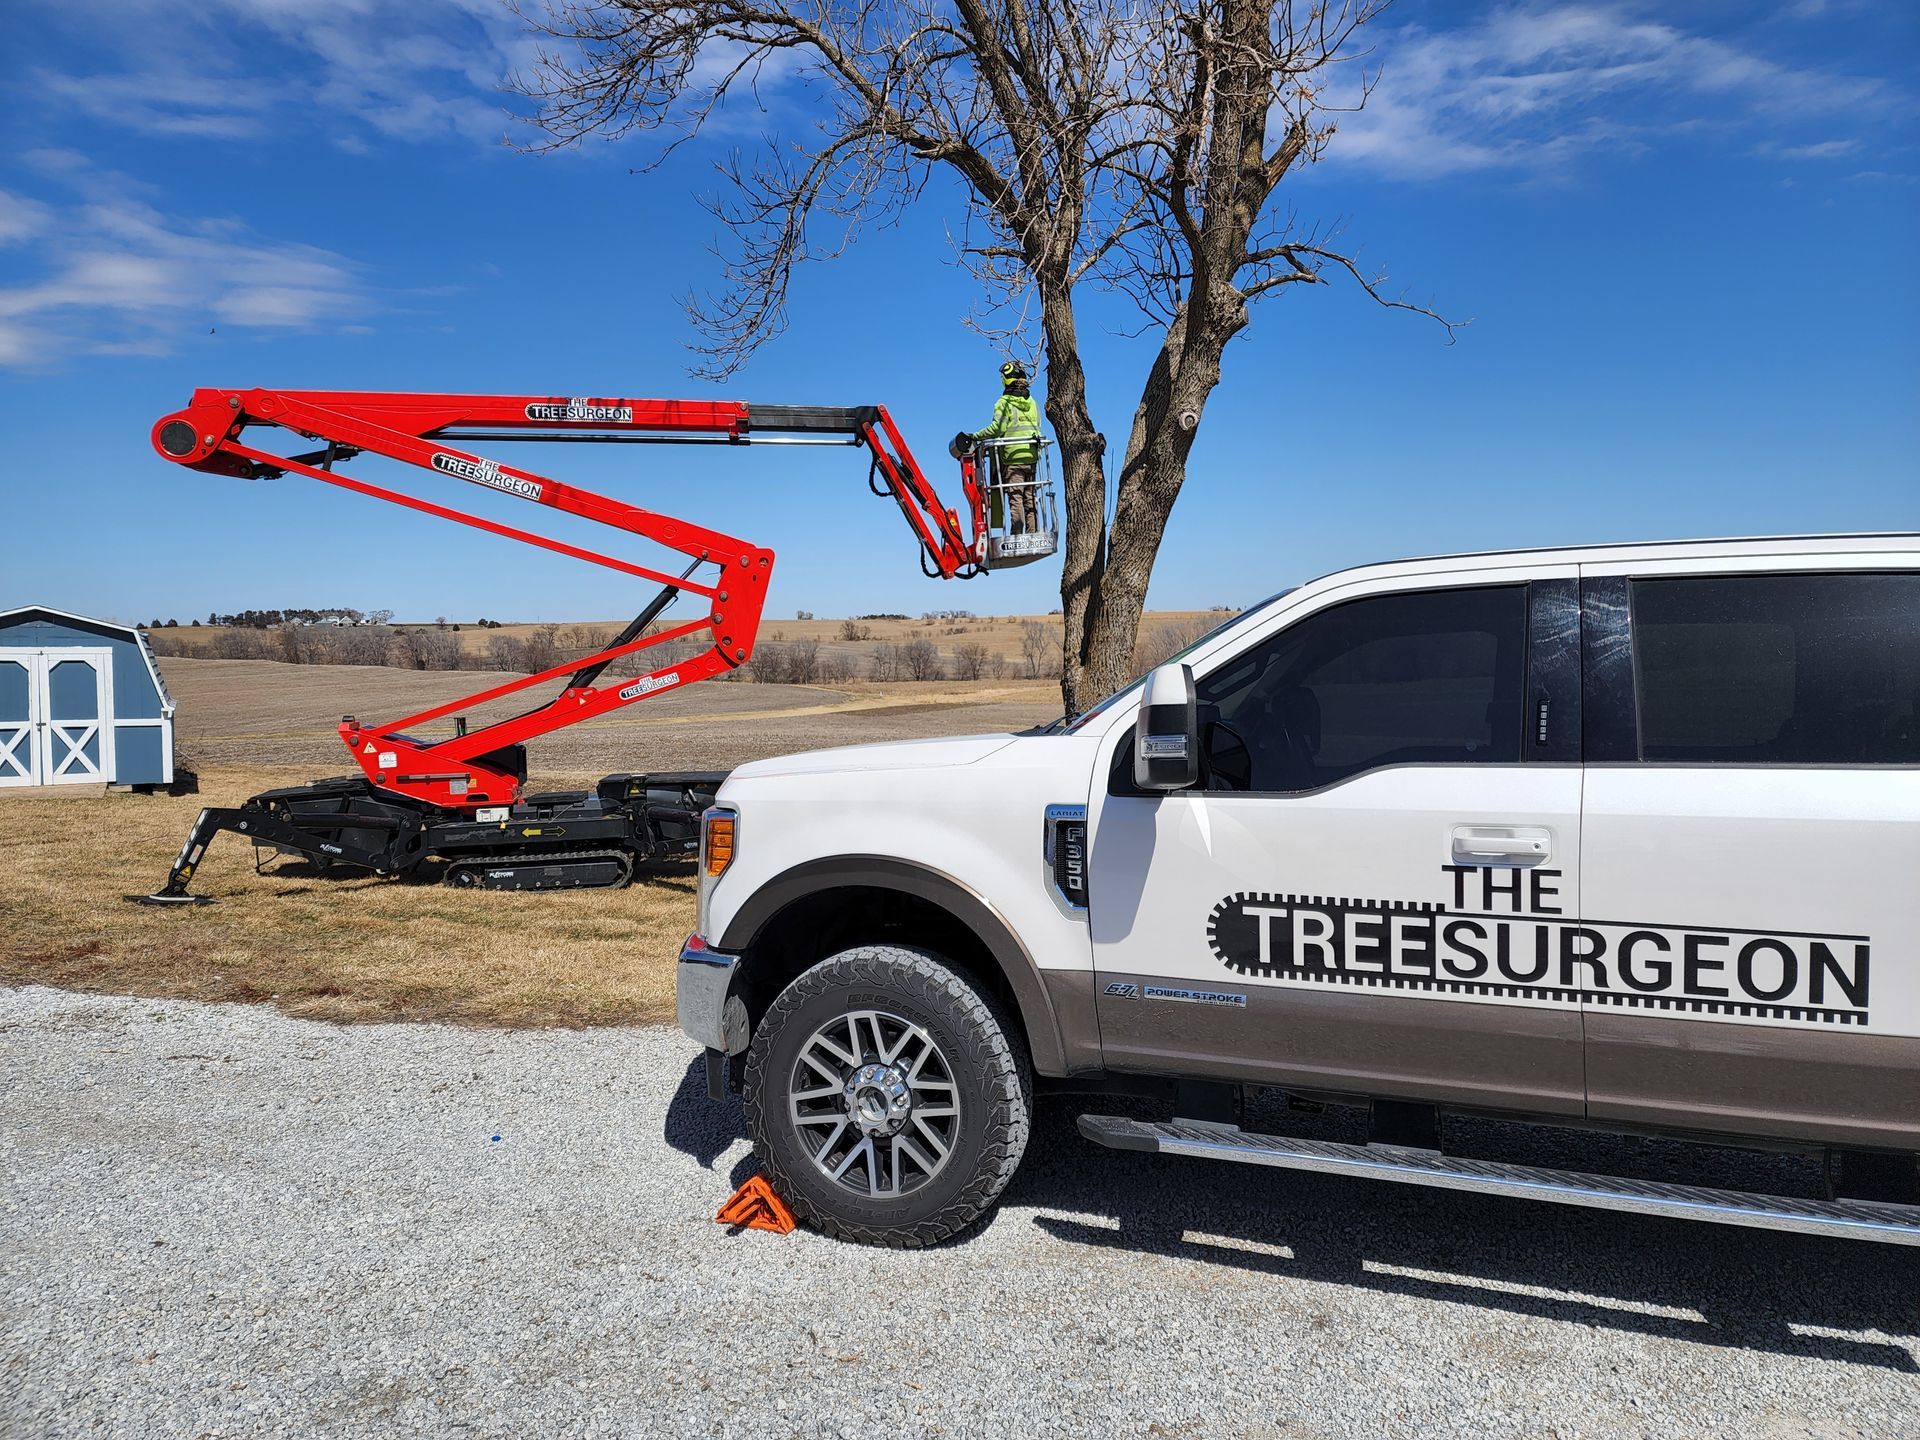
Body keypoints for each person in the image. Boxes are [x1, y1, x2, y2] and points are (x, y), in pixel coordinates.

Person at [974, 360, 1043, 534]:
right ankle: (1033, 533)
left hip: (1013, 458)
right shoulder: (1033, 402)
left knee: (1016, 497)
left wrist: (975, 436)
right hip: (1031, 456)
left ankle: (1017, 535)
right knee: (1030, 497)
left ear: (1006, 379)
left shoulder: (1003, 403)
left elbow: (997, 429)